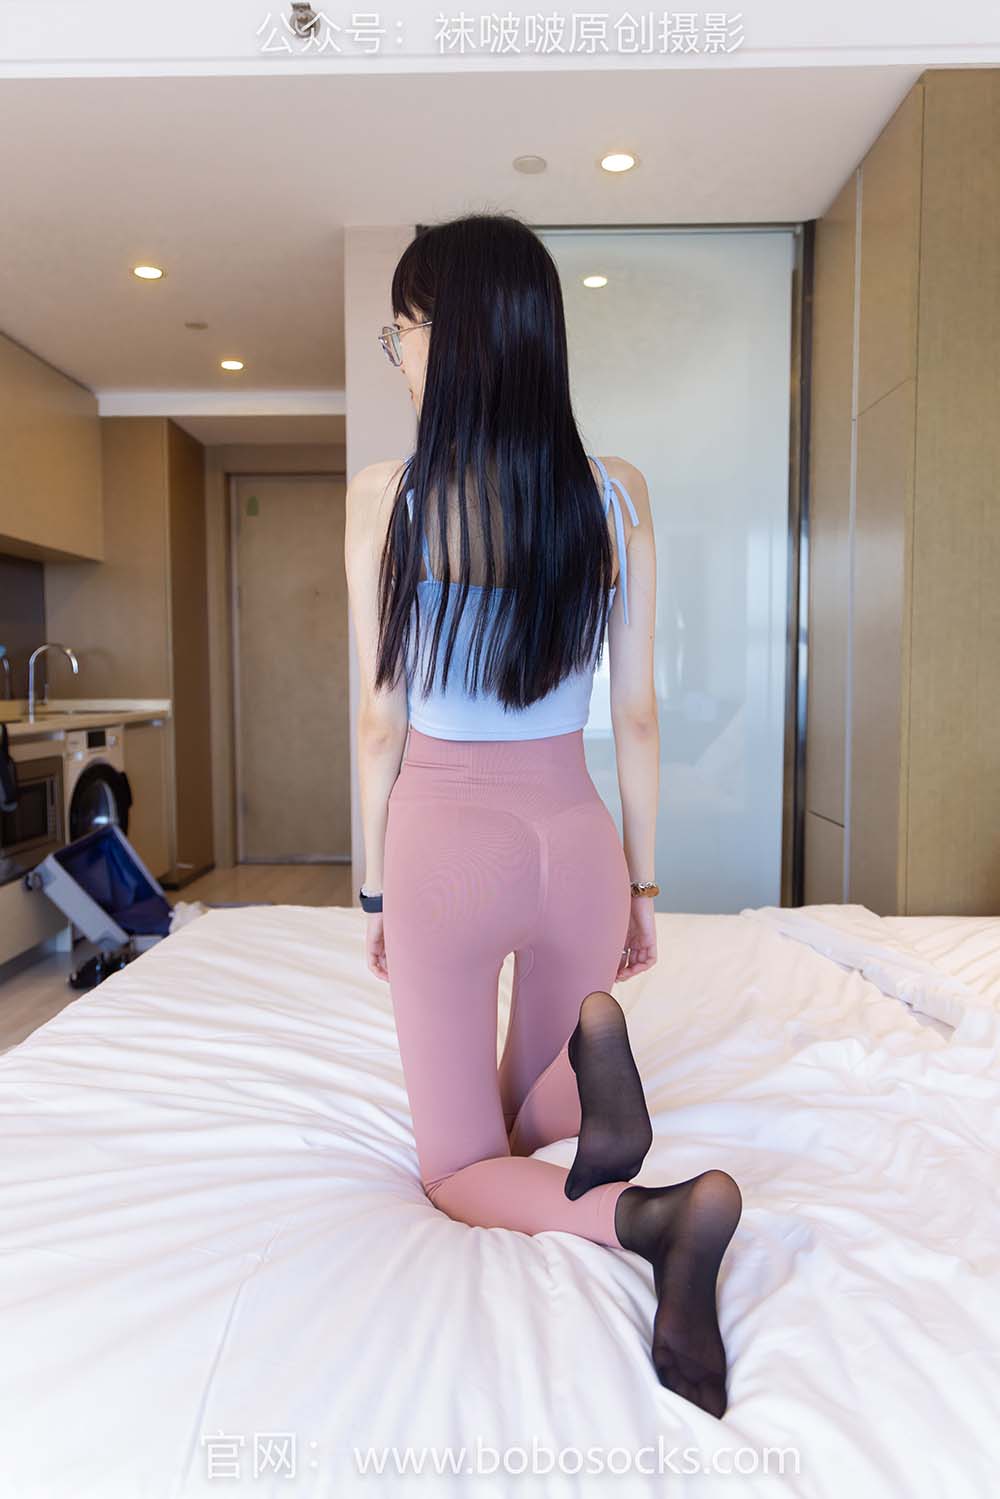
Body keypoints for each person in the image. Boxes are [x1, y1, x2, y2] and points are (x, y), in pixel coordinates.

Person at [345, 210, 742, 1419]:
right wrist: (642, 888)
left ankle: (647, 1219)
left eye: (400, 331)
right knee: (529, 1109)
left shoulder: (387, 498)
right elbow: (638, 716)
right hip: (575, 838)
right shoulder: (615, 492)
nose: (397, 355)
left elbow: (377, 724)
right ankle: (587, 1073)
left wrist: (375, 893)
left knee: (462, 1165)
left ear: (449, 334)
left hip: (445, 842)